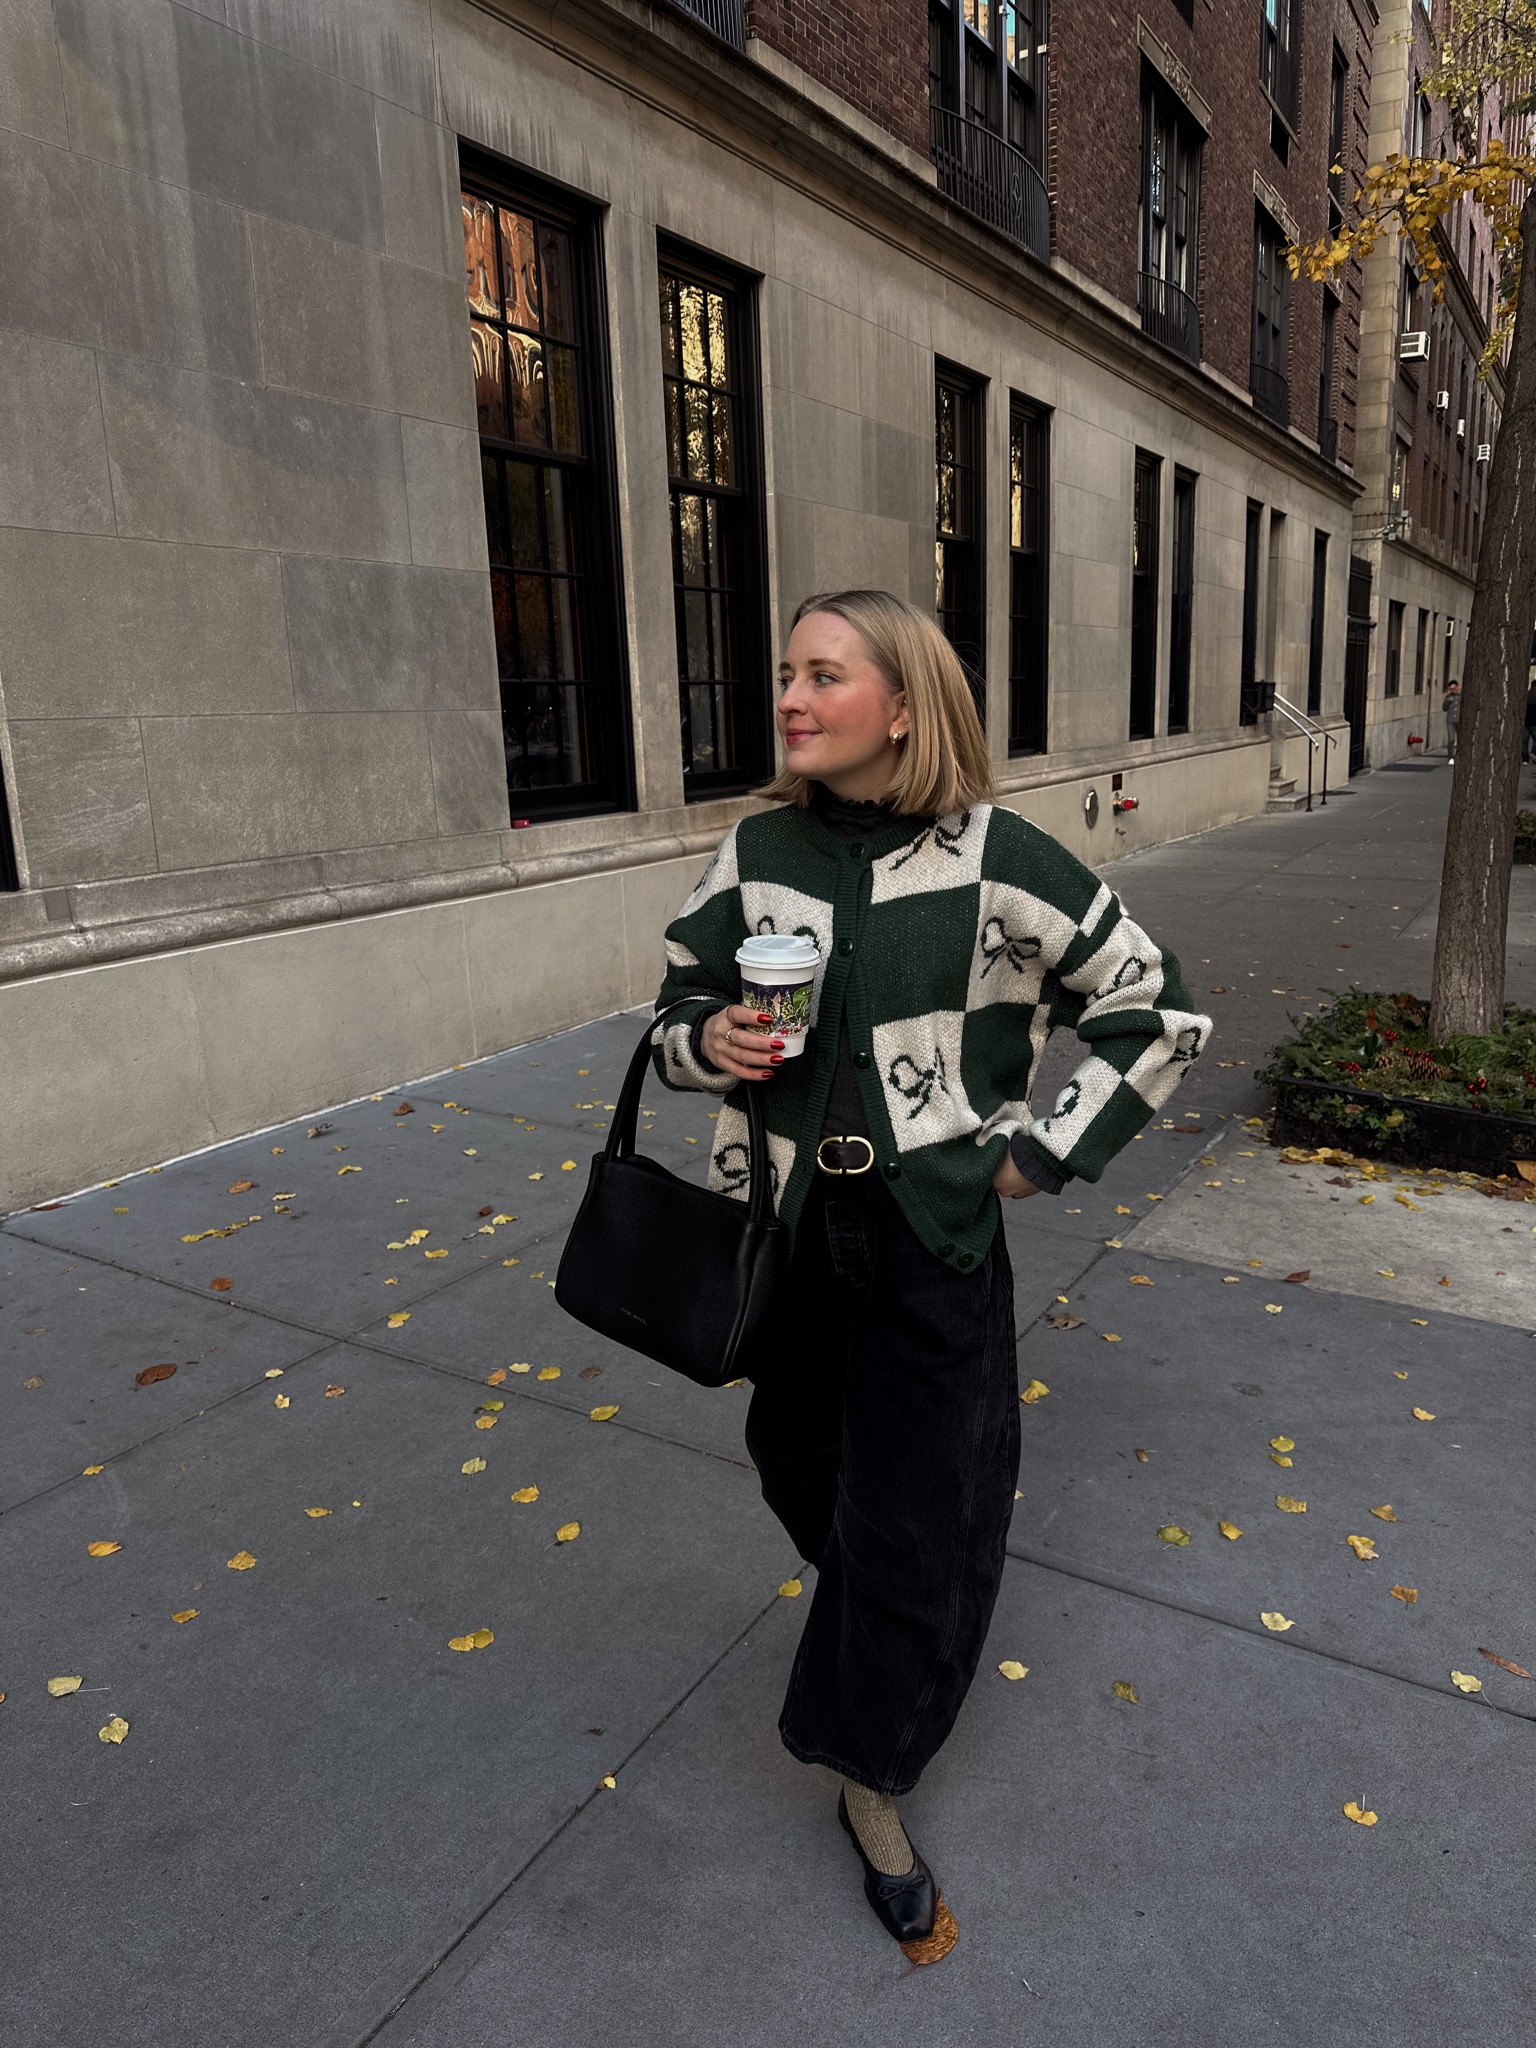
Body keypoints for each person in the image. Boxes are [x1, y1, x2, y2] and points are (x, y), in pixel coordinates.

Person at [650, 591, 1209, 1948]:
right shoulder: (758, 848)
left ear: (902, 703)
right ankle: (899, 1608)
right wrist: (706, 1041)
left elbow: (1157, 1009)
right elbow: (673, 1000)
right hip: (783, 1238)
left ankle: (873, 1774)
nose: (789, 694)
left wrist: (1042, 1157)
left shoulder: (1000, 857)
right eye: (785, 670)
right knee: (801, 1468)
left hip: (932, 1237)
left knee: (909, 1523)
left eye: (823, 674)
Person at [1443, 678, 1461, 764]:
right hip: (1450, 720)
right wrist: (1447, 702)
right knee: (1451, 739)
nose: (1452, 691)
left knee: (1460, 739)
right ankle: (1451, 757)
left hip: (1459, 720)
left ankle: (1460, 756)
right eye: (1451, 689)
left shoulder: (1461, 696)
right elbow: (1444, 708)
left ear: (1457, 687)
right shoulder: (1449, 697)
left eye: (1454, 689)